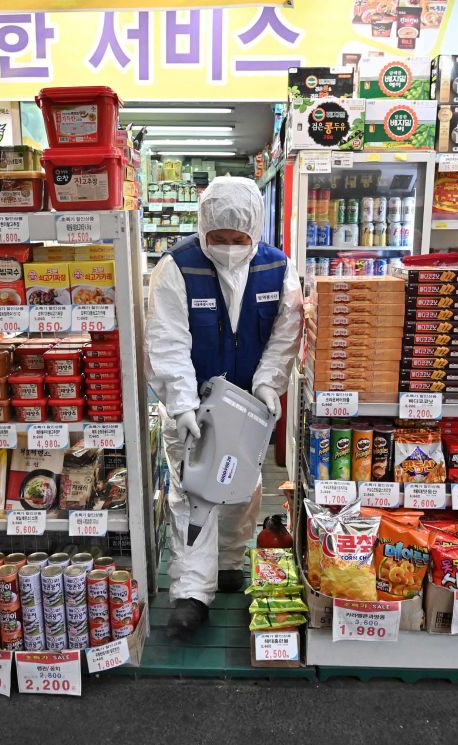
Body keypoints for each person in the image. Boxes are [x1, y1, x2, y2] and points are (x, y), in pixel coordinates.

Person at [145, 176, 303, 638]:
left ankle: (231, 563)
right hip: (195, 404)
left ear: (255, 232)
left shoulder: (278, 268)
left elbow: (286, 332)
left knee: (245, 486)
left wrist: (270, 384)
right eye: (219, 239)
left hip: (252, 406)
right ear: (202, 228)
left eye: (240, 240)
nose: (230, 248)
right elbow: (167, 340)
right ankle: (191, 593)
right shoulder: (176, 267)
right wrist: (182, 403)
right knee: (194, 495)